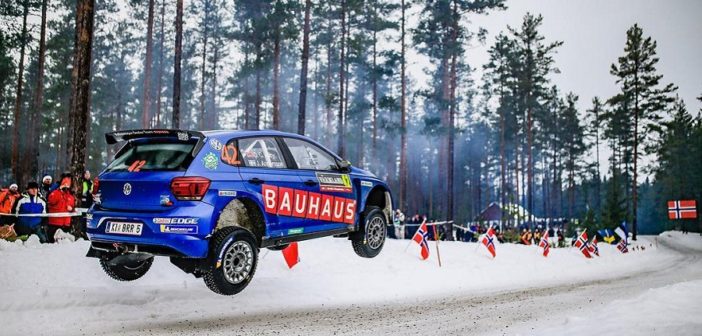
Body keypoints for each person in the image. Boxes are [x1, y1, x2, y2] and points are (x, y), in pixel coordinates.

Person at [46, 177, 76, 243]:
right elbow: (51, 201)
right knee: (52, 244)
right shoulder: (55, 193)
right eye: (65, 185)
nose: (66, 187)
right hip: (54, 223)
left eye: (68, 186)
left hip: (66, 224)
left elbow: (73, 209)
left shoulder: (71, 197)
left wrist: (71, 209)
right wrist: (59, 190)